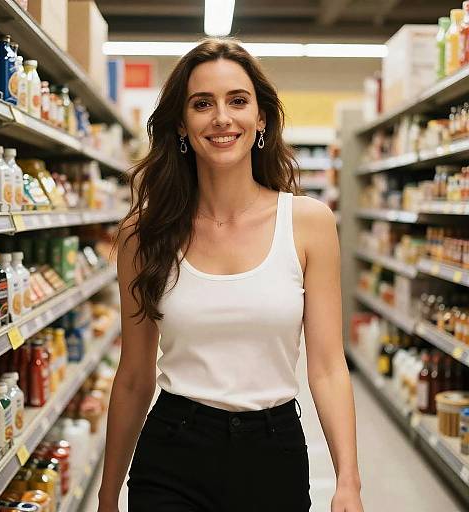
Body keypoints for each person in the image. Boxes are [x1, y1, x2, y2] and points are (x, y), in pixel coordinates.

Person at [98, 37, 363, 512]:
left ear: (261, 118)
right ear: (181, 124)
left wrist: (348, 480)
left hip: (273, 450)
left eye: (238, 101)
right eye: (203, 104)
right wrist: (107, 494)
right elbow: (135, 376)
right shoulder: (144, 233)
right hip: (172, 453)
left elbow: (326, 368)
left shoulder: (308, 223)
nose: (222, 118)